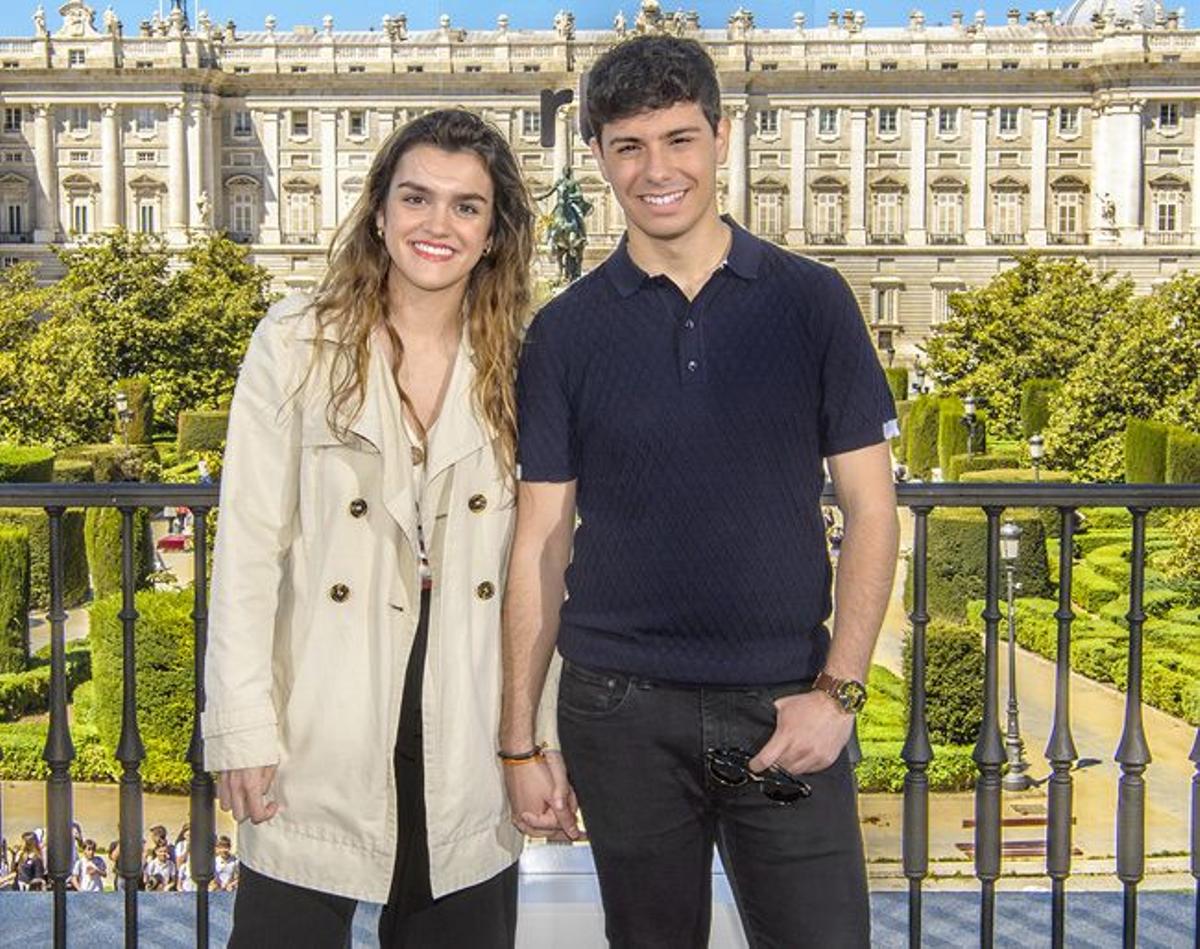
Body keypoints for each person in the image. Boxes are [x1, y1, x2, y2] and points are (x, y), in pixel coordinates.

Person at [501, 35, 899, 948]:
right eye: (630, 146)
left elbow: (873, 511)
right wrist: (519, 740)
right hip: (618, 713)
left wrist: (837, 692)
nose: (657, 170)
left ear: (722, 136)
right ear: (597, 153)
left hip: (782, 705)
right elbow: (540, 540)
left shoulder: (814, 301)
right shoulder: (562, 332)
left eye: (680, 139)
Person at [203, 107, 564, 949]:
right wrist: (242, 725)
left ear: (494, 231)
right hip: (325, 707)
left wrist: (537, 739)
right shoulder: (294, 341)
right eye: (417, 198)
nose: (438, 224)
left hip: (468, 706)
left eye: (466, 206)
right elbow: (249, 548)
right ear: (379, 211)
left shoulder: (530, 358)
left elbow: (553, 562)